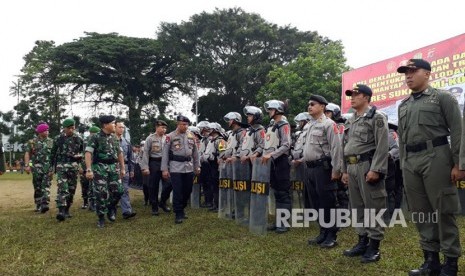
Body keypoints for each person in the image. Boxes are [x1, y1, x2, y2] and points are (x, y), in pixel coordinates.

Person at [397, 59, 462, 276]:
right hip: (411, 161)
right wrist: (404, 163)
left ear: (427, 74)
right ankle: (431, 261)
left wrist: (459, 164)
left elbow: (458, 131)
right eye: (405, 72)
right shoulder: (404, 105)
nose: (408, 75)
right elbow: (402, 139)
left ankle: (450, 263)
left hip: (436, 156)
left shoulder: (442, 98)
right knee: (421, 212)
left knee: (443, 210)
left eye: (413, 71)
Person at [341, 84, 388, 263]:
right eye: (350, 95)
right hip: (352, 167)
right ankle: (362, 241)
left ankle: (374, 247)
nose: (352, 98)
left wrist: (376, 169)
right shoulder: (350, 119)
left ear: (367, 97)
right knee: (357, 206)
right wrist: (344, 170)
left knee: (373, 206)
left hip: (367, 165)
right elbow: (346, 146)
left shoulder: (377, 117)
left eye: (356, 94)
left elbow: (382, 145)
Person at [303, 95, 342, 248]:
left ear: (322, 107)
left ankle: (331, 235)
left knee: (328, 202)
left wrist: (336, 169)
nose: (309, 106)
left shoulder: (329, 124)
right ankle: (323, 232)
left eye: (313, 104)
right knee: (316, 202)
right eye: (309, 104)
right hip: (310, 168)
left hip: (323, 168)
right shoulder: (310, 125)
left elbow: (336, 147)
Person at [85, 115, 125, 228]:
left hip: (113, 167)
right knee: (101, 193)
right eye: (113, 123)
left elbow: (120, 153)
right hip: (99, 168)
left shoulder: (114, 137)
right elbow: (88, 153)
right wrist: (89, 169)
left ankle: (111, 207)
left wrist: (122, 168)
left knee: (119, 191)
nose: (115, 125)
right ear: (105, 125)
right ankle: (101, 217)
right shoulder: (95, 137)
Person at [161, 115, 200, 224]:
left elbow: (195, 153)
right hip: (175, 167)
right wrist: (164, 169)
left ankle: (182, 208)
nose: (185, 126)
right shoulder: (170, 136)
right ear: (178, 124)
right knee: (178, 191)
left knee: (188, 190)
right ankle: (178, 213)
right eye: (183, 124)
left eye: (186, 124)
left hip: (188, 167)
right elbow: (165, 154)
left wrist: (197, 166)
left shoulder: (191, 135)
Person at [263, 100, 292, 234]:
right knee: (276, 192)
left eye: (270, 109)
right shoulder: (272, 126)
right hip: (273, 162)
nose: (268, 112)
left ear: (277, 110)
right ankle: (277, 222)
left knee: (283, 193)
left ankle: (284, 223)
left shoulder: (284, 125)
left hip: (281, 162)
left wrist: (272, 155)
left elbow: (286, 145)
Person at [49, 118, 84, 221]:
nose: (71, 130)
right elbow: (52, 154)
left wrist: (81, 163)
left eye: (73, 128)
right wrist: (51, 168)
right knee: (62, 188)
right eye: (69, 128)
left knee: (71, 189)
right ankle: (61, 210)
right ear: (64, 128)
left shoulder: (79, 138)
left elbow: (84, 153)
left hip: (74, 166)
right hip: (61, 166)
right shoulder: (57, 139)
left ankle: (67, 209)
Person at [141, 120, 173, 216]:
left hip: (165, 164)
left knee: (169, 184)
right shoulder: (150, 138)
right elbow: (145, 153)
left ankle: (162, 202)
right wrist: (145, 167)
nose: (164, 129)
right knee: (153, 186)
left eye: (165, 128)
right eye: (162, 127)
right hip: (154, 162)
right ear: (157, 127)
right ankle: (154, 206)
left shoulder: (167, 138)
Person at [24, 123, 53, 213]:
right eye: (45, 130)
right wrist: (27, 165)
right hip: (36, 168)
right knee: (37, 187)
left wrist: (53, 168)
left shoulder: (51, 141)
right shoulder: (32, 142)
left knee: (46, 185)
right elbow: (27, 154)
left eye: (48, 130)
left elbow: (55, 155)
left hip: (48, 168)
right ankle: (38, 204)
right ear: (40, 132)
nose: (47, 132)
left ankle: (45, 204)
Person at [115, 121, 136, 219]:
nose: (122, 129)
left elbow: (131, 157)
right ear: (114, 127)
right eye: (119, 127)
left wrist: (132, 170)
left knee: (124, 189)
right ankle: (111, 210)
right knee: (112, 190)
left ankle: (127, 211)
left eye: (123, 127)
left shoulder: (126, 142)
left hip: (125, 168)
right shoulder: (109, 140)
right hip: (112, 167)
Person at [203, 122, 226, 211]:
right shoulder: (211, 140)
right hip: (210, 165)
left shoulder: (220, 140)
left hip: (217, 165)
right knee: (213, 185)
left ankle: (218, 205)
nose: (208, 131)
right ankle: (215, 204)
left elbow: (223, 153)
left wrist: (220, 160)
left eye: (210, 129)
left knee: (217, 185)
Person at [79, 125, 100, 210]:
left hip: (85, 165)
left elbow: (79, 154)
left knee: (85, 185)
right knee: (92, 184)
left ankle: (86, 203)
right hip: (91, 165)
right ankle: (92, 203)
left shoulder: (83, 141)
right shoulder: (94, 140)